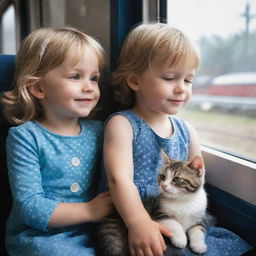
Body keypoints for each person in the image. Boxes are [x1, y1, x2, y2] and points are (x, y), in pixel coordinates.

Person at [100, 23, 252, 256]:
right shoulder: (123, 124)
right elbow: (119, 179)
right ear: (135, 81)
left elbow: (197, 178)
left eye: (188, 80)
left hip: (174, 213)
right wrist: (138, 223)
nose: (182, 89)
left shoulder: (186, 130)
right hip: (130, 216)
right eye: (170, 78)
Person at [2, 27, 112, 256]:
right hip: (41, 237)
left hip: (97, 231)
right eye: (75, 76)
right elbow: (29, 207)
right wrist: (90, 210)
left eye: (94, 78)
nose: (89, 87)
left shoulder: (103, 130)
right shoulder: (26, 136)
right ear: (38, 87)